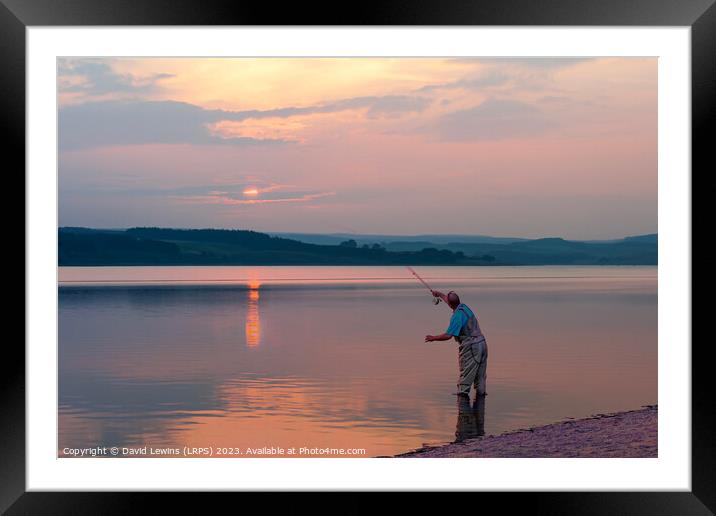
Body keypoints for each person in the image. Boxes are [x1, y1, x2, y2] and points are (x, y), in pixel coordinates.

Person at [424, 290, 488, 397]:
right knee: (480, 377)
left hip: (472, 347)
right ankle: (480, 406)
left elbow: (448, 335)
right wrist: (439, 294)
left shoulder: (457, 317)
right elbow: (449, 301)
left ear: (450, 304)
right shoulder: (464, 307)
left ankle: (463, 406)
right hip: (482, 344)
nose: (445, 299)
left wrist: (433, 338)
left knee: (465, 377)